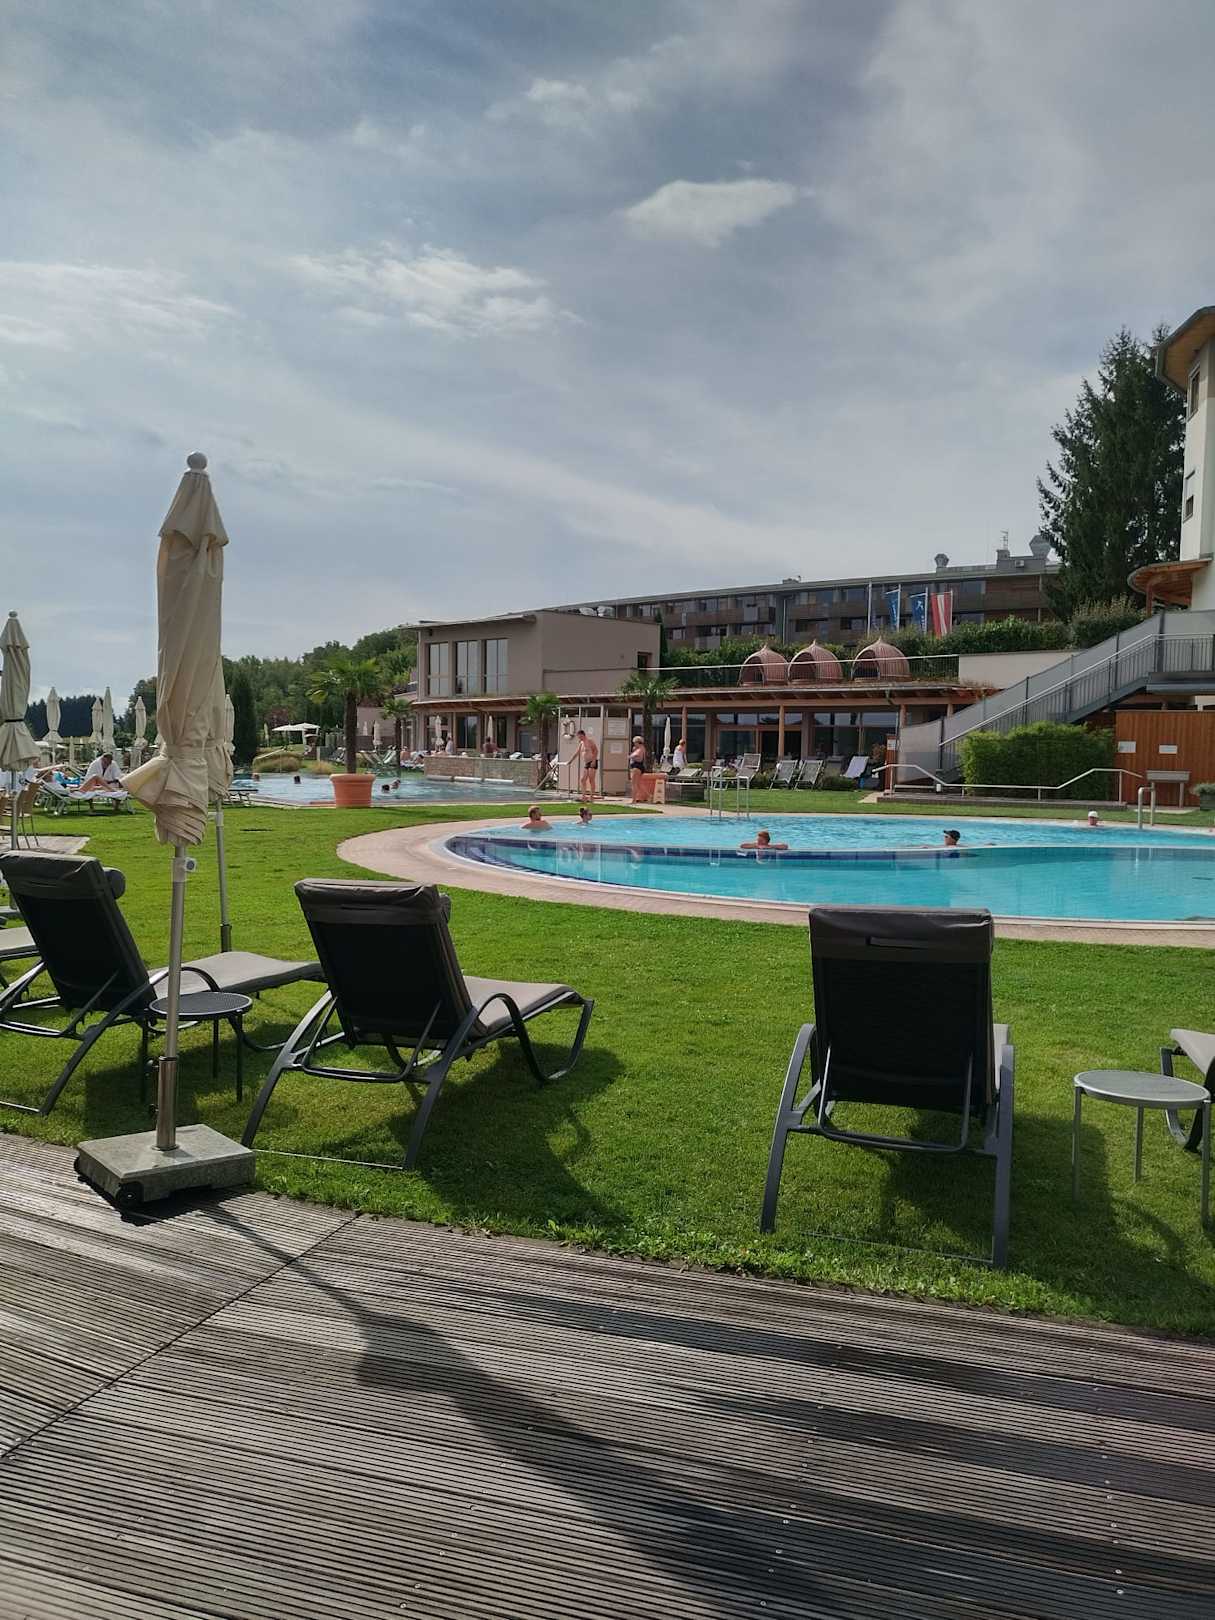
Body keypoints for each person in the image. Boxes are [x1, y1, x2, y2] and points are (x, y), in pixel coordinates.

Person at [575, 728, 599, 801]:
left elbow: (596, 751)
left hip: (592, 761)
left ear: (583, 735)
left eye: (580, 736)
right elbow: (577, 753)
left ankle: (591, 797)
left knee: (591, 779)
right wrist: (570, 761)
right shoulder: (581, 743)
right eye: (578, 737)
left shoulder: (590, 741)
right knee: (583, 780)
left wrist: (594, 761)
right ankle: (584, 796)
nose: (579, 738)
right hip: (586, 763)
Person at [628, 735, 647, 803]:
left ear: (637, 742)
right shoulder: (640, 748)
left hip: (637, 767)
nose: (634, 744)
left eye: (634, 743)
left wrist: (630, 756)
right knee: (638, 784)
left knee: (634, 784)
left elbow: (638, 758)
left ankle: (634, 799)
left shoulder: (640, 749)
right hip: (637, 766)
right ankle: (649, 796)